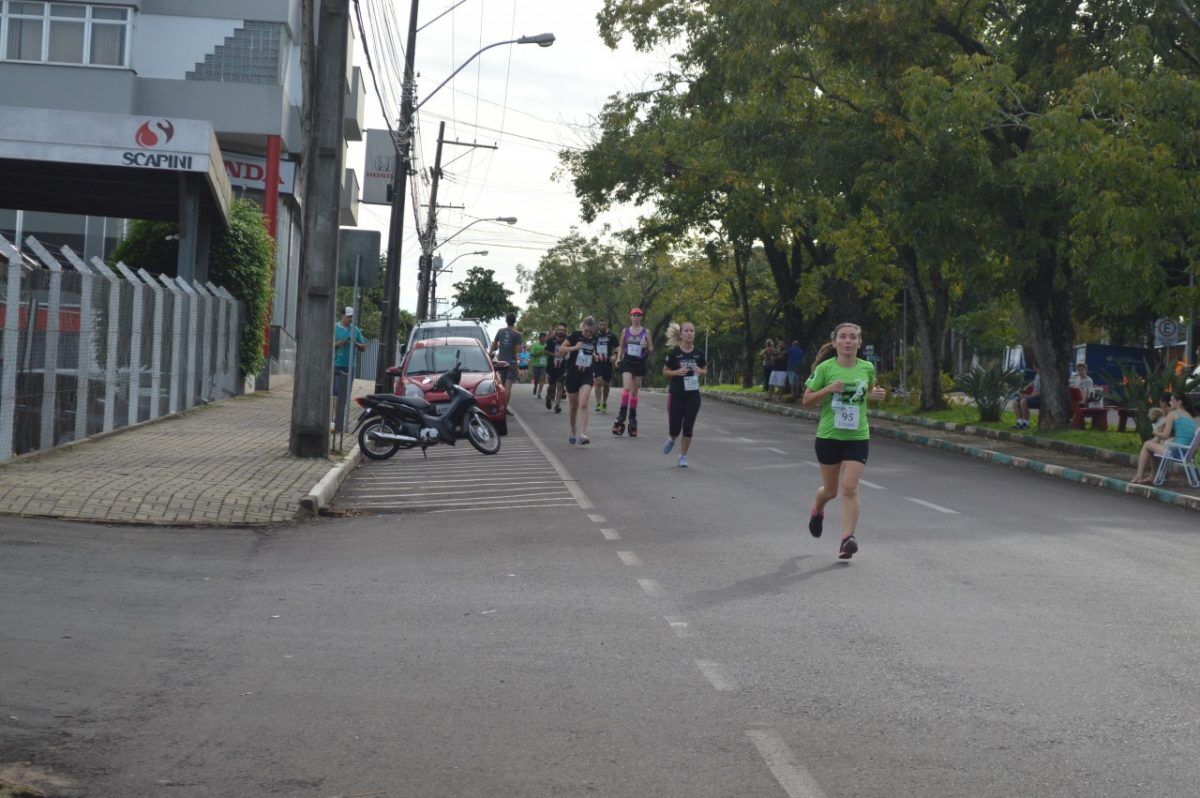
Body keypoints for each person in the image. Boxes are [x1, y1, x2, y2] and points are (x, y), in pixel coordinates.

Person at [802, 322, 887, 560]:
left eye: (853, 337)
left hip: (857, 436)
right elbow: (806, 400)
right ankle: (817, 509)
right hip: (829, 436)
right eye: (843, 337)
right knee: (830, 491)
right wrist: (827, 389)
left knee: (849, 487)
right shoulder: (825, 368)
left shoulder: (867, 367)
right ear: (835, 341)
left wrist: (876, 395)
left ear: (859, 343)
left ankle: (846, 540)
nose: (848, 341)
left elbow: (867, 393)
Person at [661, 321, 707, 467]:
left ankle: (682, 456)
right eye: (686, 331)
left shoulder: (699, 353)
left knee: (688, 426)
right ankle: (672, 438)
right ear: (681, 334)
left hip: (693, 395)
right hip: (676, 394)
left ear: (694, 334)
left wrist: (701, 372)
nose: (689, 333)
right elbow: (665, 372)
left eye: (692, 331)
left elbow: (705, 370)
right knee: (675, 426)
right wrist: (676, 372)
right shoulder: (674, 353)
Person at [1131, 393, 1197, 484]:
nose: (1170, 403)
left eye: (1172, 400)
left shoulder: (1173, 414)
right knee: (1153, 446)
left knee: (1147, 444)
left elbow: (1165, 435)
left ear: (1179, 402)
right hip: (1187, 452)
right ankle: (1153, 476)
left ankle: (1139, 476)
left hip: (1176, 451)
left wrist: (1154, 432)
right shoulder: (1190, 417)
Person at [556, 316, 599, 445]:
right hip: (572, 374)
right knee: (574, 405)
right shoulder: (575, 335)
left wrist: (594, 355)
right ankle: (573, 428)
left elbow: (592, 351)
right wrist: (574, 348)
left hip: (587, 374)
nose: (588, 334)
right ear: (582, 327)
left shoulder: (594, 339)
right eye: (586, 331)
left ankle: (582, 434)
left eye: (591, 332)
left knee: (584, 403)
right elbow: (561, 350)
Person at [612, 308, 653, 437]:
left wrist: (646, 346)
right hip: (628, 362)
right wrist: (619, 358)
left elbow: (651, 349)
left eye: (638, 315)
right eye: (633, 315)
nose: (635, 317)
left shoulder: (646, 332)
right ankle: (620, 418)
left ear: (641, 317)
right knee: (626, 388)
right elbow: (621, 346)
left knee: (634, 392)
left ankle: (632, 421)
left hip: (640, 363)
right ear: (630, 317)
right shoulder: (625, 331)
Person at [489, 313, 522, 413]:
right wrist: (517, 366)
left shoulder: (500, 331)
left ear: (506, 321)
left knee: (502, 386)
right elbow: (518, 351)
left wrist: (489, 353)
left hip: (501, 362)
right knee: (508, 385)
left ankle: (500, 407)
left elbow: (494, 346)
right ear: (514, 321)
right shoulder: (517, 334)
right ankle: (504, 408)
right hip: (511, 363)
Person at [333, 306, 366, 394]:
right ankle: (336, 407)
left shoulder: (355, 330)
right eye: (349, 316)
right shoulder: (334, 328)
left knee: (346, 393)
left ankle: (343, 408)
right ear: (343, 316)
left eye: (352, 317)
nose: (350, 319)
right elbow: (326, 345)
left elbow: (363, 347)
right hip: (336, 365)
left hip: (350, 366)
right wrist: (337, 343)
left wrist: (355, 343)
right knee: (336, 392)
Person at [593, 318, 619, 414]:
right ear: (598, 325)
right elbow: (589, 345)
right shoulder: (594, 335)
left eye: (604, 325)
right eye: (600, 325)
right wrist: (593, 354)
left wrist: (615, 356)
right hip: (597, 361)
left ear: (606, 325)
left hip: (607, 362)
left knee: (606, 384)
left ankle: (604, 402)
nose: (602, 326)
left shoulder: (611, 336)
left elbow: (617, 346)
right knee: (598, 381)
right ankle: (598, 403)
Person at [543, 323, 568, 413]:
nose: (561, 331)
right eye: (559, 329)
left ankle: (557, 406)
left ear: (565, 331)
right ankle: (548, 397)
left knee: (560, 385)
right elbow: (545, 350)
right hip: (551, 367)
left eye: (563, 330)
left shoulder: (568, 340)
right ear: (557, 330)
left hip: (562, 366)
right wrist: (554, 354)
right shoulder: (551, 340)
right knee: (552, 386)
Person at [529, 334, 547, 398]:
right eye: (542, 338)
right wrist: (540, 352)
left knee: (542, 378)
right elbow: (532, 354)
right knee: (536, 379)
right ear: (539, 338)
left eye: (544, 338)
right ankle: (535, 386)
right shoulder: (535, 345)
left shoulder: (547, 345)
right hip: (536, 364)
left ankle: (539, 393)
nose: (543, 339)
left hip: (544, 365)